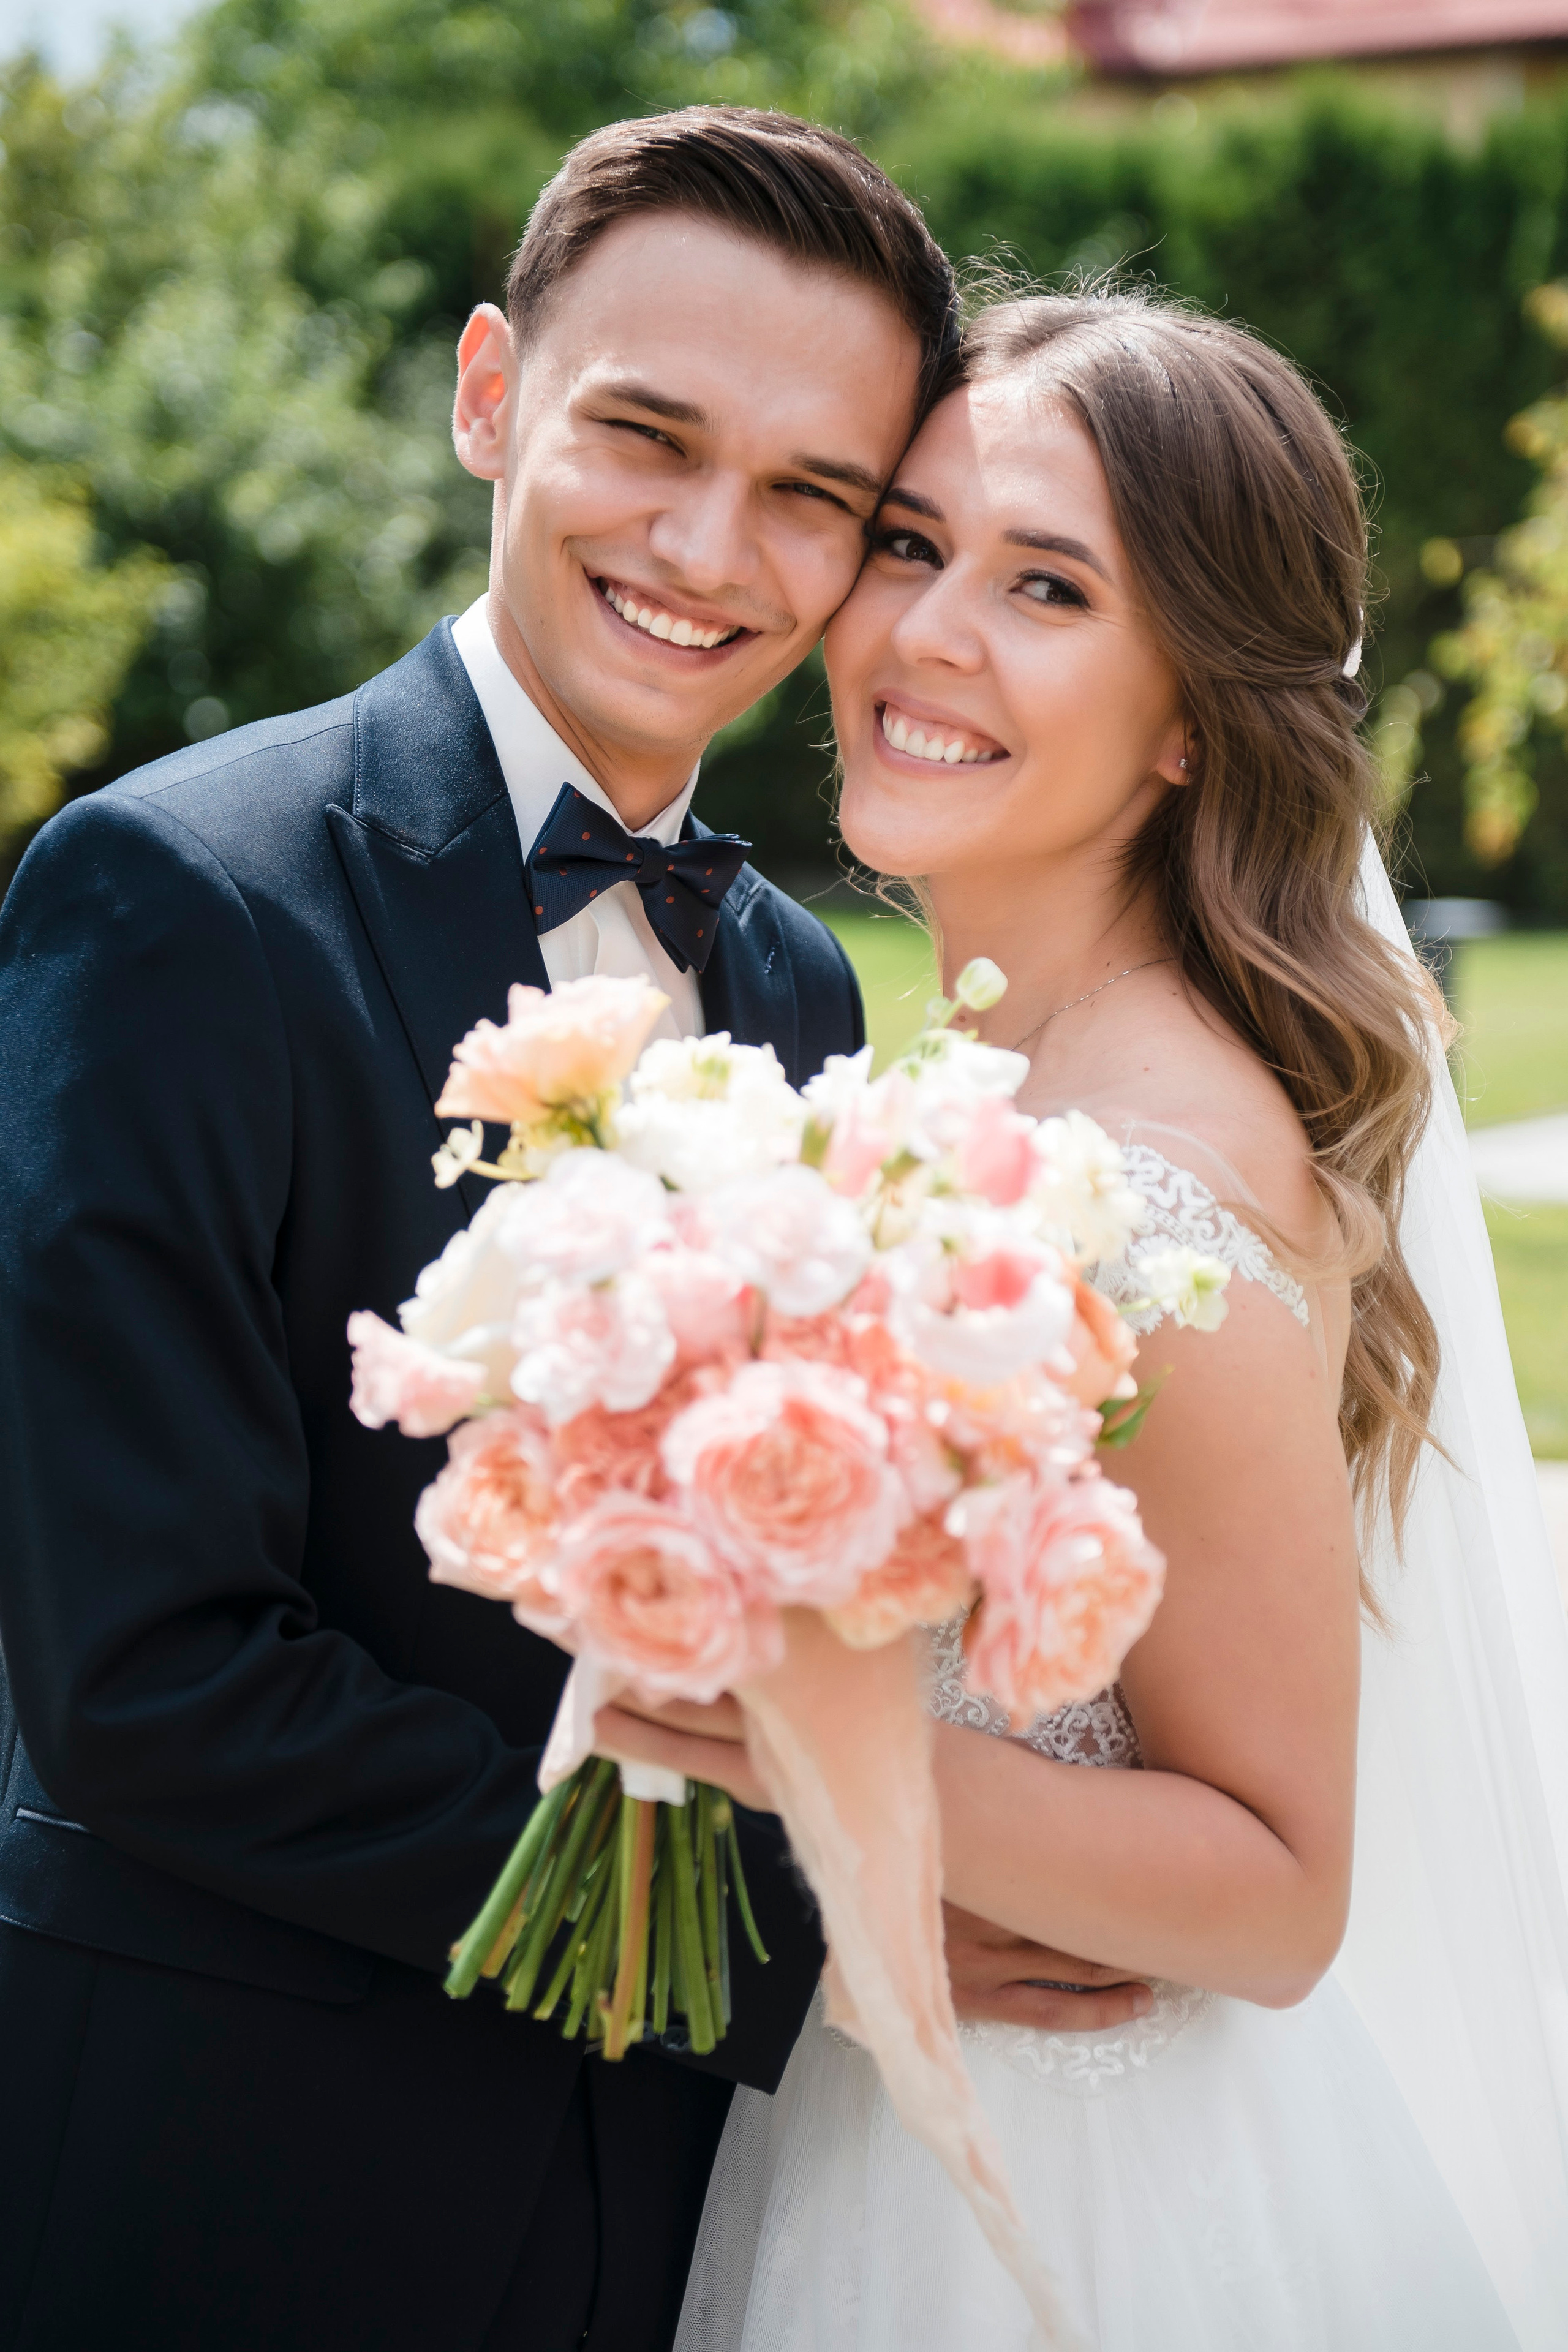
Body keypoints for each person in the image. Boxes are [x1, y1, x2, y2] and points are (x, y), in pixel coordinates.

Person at [0, 107, 960, 2352]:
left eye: (815, 493)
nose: (714, 546)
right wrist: (779, 1934)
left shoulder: (802, 987)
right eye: (648, 434)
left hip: (670, 2216)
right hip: (231, 2170)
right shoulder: (178, 897)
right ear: (487, 393)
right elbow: (142, 1679)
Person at [593, 288, 1568, 2349]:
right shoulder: (963, 1093)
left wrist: (768, 1710)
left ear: (1196, 709)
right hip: (879, 2123)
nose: (928, 633)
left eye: (1047, 586)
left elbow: (1277, 1885)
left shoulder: (1152, 1191)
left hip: (1080, 2218)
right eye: (915, 545)